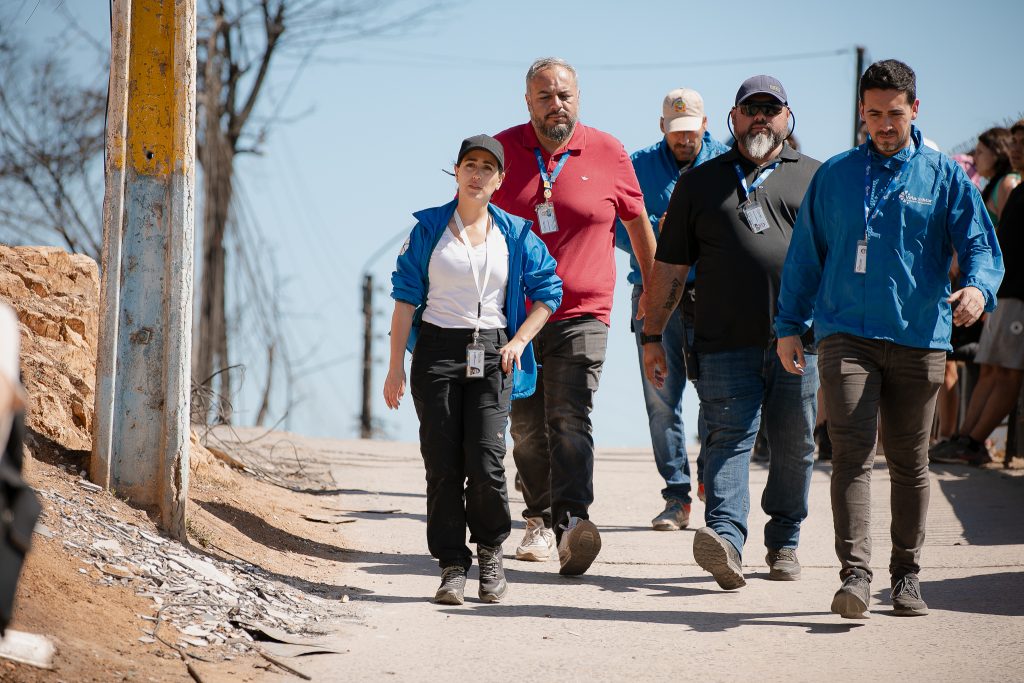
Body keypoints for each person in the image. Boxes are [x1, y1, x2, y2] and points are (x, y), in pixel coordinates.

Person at [774, 59, 1003, 618]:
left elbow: (980, 244)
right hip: (845, 334)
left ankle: (906, 577)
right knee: (851, 454)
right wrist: (788, 326)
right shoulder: (835, 175)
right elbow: (805, 256)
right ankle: (855, 576)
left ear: (914, 110)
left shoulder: (943, 176)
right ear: (862, 111)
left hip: (919, 336)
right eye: (873, 114)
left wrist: (978, 288)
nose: (883, 124)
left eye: (894, 114)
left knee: (909, 461)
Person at [643, 75, 821, 590]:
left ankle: (784, 541)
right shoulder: (700, 183)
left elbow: (835, 261)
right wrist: (653, 336)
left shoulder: (817, 178)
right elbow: (670, 269)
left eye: (771, 108)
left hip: (799, 342)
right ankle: (725, 539)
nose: (761, 117)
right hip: (722, 341)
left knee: (794, 446)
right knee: (727, 440)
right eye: (751, 108)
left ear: (787, 117)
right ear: (732, 118)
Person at [490, 57, 658, 576]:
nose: (555, 104)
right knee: (525, 427)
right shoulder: (501, 150)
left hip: (584, 311)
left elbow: (638, 225)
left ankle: (571, 524)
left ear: (578, 97)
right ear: (528, 103)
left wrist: (653, 291)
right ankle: (538, 518)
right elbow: (473, 220)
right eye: (544, 96)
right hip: (515, 316)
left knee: (569, 416)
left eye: (564, 95)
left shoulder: (608, 151)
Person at [385, 134, 562, 604]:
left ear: (500, 179)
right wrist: (394, 367)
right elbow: (404, 299)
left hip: (493, 354)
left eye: (487, 167)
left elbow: (550, 291)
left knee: (486, 460)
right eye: (469, 164)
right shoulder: (428, 229)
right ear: (457, 172)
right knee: (442, 465)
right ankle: (451, 565)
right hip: (437, 352)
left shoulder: (516, 233)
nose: (477, 173)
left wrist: (520, 341)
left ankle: (490, 552)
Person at [613, 87, 728, 531]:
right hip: (653, 294)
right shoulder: (637, 166)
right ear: (663, 127)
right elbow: (616, 226)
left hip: (713, 296)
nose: (684, 139)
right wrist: (656, 236)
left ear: (705, 124)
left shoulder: (726, 162)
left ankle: (709, 478)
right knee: (661, 400)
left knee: (717, 395)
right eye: (676, 131)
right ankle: (676, 497)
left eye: (691, 130)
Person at [931, 120, 1024, 465]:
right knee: (989, 367)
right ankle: (964, 439)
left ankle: (973, 442)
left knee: (1007, 370)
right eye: (1014, 142)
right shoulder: (1009, 187)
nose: (1016, 149)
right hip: (1001, 291)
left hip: (1015, 292)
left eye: (1022, 143)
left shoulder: (1010, 184)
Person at [971, 127, 1019, 223]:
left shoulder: (1007, 183)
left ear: (996, 153)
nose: (974, 158)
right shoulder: (995, 185)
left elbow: (1009, 228)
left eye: (979, 152)